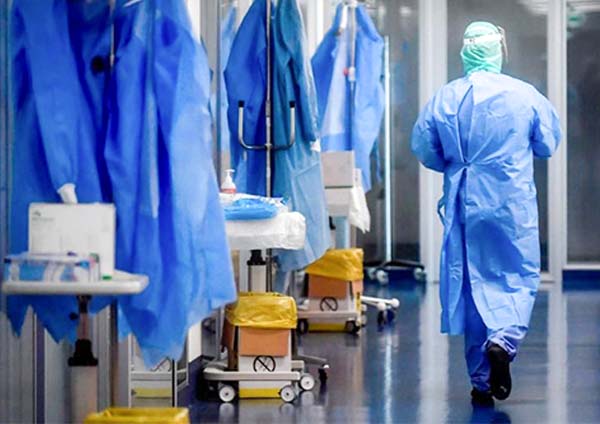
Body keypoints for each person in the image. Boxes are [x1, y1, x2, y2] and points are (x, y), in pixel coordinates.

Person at [411, 21, 561, 406]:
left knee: (473, 283)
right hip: (511, 203)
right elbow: (547, 144)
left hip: (465, 202)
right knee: (517, 274)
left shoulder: (445, 98)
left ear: (465, 52)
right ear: (499, 51)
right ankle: (504, 340)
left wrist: (460, 163)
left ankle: (480, 382)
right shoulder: (524, 95)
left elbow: (425, 149)